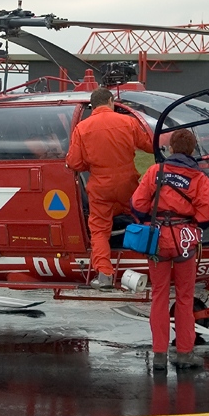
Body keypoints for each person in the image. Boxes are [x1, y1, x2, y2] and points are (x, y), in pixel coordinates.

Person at [130, 128, 209, 370]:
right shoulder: (200, 179)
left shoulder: (155, 172)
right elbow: (208, 214)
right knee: (184, 297)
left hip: (158, 240)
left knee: (159, 295)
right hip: (184, 242)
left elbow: (137, 204)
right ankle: (184, 353)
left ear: (170, 149)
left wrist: (152, 218)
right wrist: (190, 223)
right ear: (192, 150)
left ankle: (159, 354)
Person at [65, 87, 153, 289]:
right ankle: (154, 258)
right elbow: (149, 145)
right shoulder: (128, 122)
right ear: (111, 101)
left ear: (93, 106)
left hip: (100, 188)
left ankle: (104, 274)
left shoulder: (82, 128)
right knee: (141, 217)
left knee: (99, 230)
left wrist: (91, 163)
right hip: (128, 184)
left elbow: (75, 163)